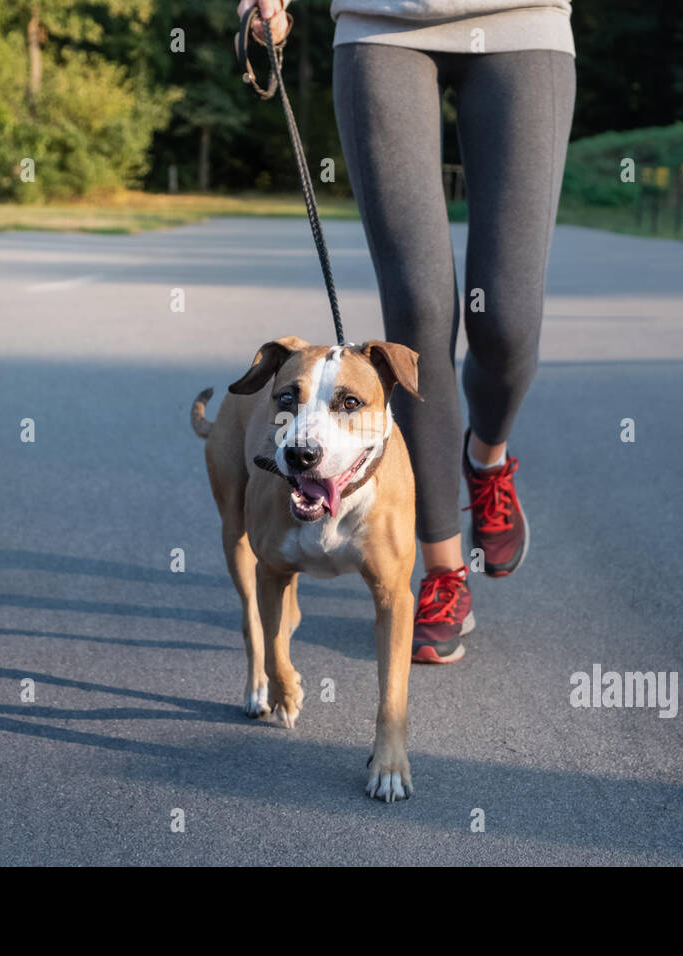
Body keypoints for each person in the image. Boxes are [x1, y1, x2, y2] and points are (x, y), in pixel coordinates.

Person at [238, 0, 575, 663]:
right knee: (418, 316)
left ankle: (487, 460)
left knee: (505, 318)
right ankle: (445, 571)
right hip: (381, 23)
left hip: (524, 20)